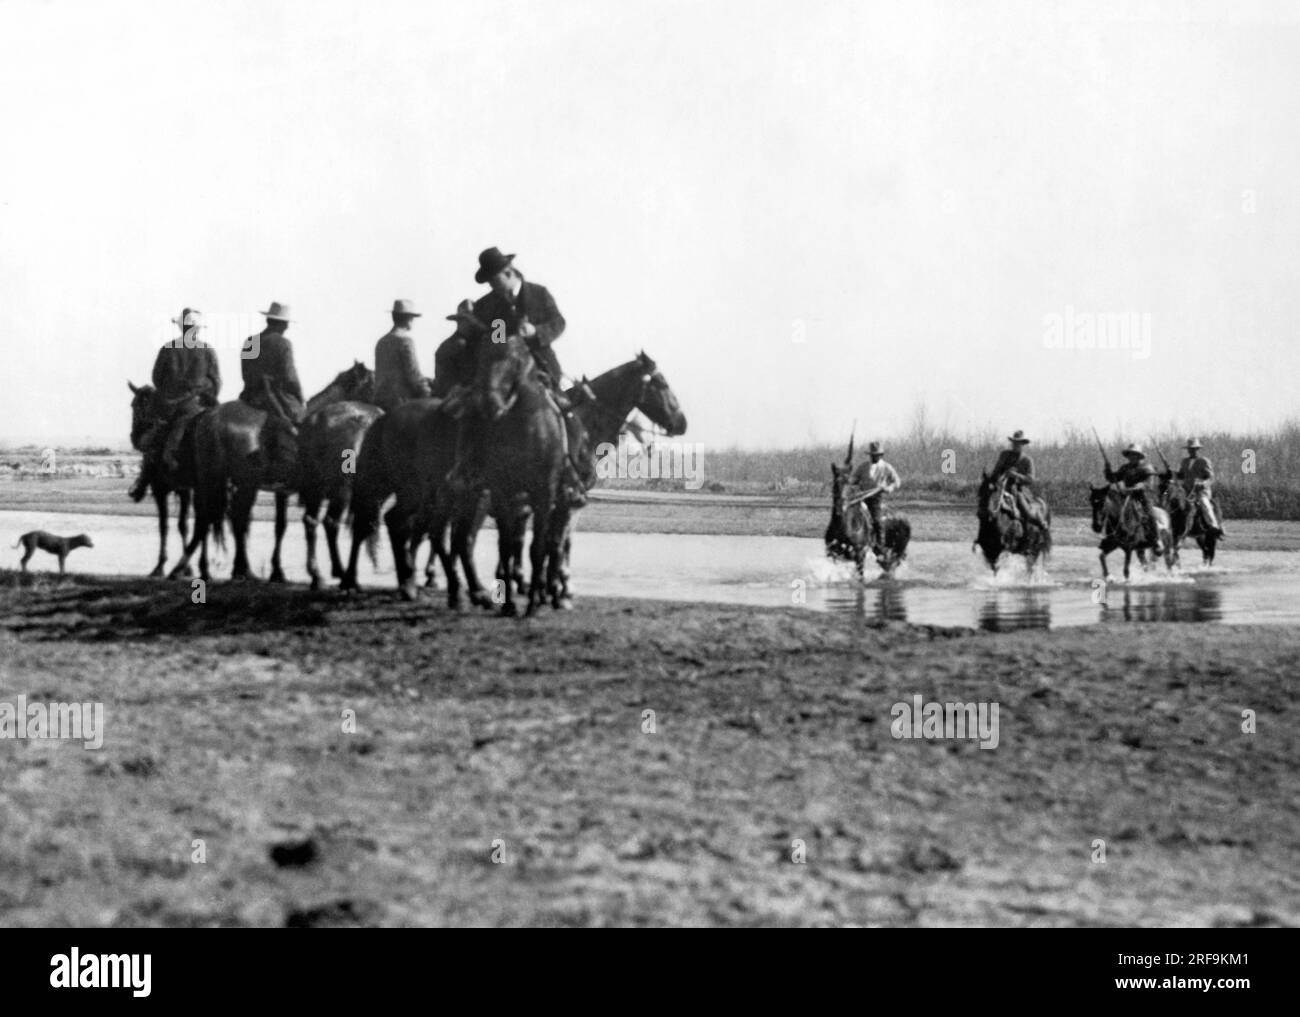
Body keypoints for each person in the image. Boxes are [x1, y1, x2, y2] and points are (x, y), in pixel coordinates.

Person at [128, 308, 221, 501]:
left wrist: (172, 392)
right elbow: (216, 381)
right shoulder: (208, 350)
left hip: (170, 407)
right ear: (197, 329)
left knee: (153, 442)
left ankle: (143, 481)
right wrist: (205, 395)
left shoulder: (168, 348)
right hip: (200, 406)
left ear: (182, 327)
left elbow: (157, 378)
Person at [239, 301, 304, 476]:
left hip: (250, 397)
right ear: (282, 323)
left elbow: (245, 374)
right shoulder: (284, 344)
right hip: (277, 398)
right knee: (302, 427)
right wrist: (300, 397)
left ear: (269, 320)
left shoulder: (250, 342)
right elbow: (290, 377)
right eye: (286, 323)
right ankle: (291, 469)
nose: (287, 326)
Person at [373, 299, 432, 412]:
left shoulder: (381, 342)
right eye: (412, 318)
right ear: (408, 319)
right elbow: (414, 374)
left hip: (379, 400)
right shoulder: (405, 341)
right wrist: (428, 392)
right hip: (401, 402)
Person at [1105, 443, 1163, 553]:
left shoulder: (1147, 468)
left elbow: (1147, 484)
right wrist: (1107, 470)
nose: (1131, 457)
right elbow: (1113, 479)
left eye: (1134, 455)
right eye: (1130, 455)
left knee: (1150, 514)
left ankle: (1157, 540)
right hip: (1127, 497)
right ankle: (1113, 535)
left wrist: (1135, 488)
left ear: (1139, 456)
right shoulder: (1125, 468)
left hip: (1143, 497)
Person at [989, 429, 1047, 534]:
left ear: (1023, 444)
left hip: (1019, 489)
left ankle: (1040, 521)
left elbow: (1031, 479)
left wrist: (1016, 475)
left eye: (1019, 443)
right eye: (1014, 442)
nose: (1016, 445)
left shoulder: (1027, 460)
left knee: (1026, 510)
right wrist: (996, 479)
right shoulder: (1004, 455)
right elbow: (996, 471)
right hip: (1002, 487)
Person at [1167, 437, 1224, 539]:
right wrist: (1171, 472)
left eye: (1194, 449)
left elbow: (1211, 477)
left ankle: (1214, 526)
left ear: (1198, 449)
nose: (1191, 451)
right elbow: (1181, 475)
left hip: (1201, 491)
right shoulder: (1184, 461)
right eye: (1190, 449)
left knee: (1204, 503)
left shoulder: (1204, 461)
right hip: (1186, 491)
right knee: (1172, 501)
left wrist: (1203, 484)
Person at [849, 441, 901, 550]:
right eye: (872, 455)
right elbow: (853, 479)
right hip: (860, 497)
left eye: (876, 455)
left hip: (875, 498)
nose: (874, 457)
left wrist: (888, 488)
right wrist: (848, 482)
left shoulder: (886, 467)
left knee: (877, 521)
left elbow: (897, 481)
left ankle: (880, 545)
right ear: (870, 455)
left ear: (881, 455)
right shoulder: (863, 467)